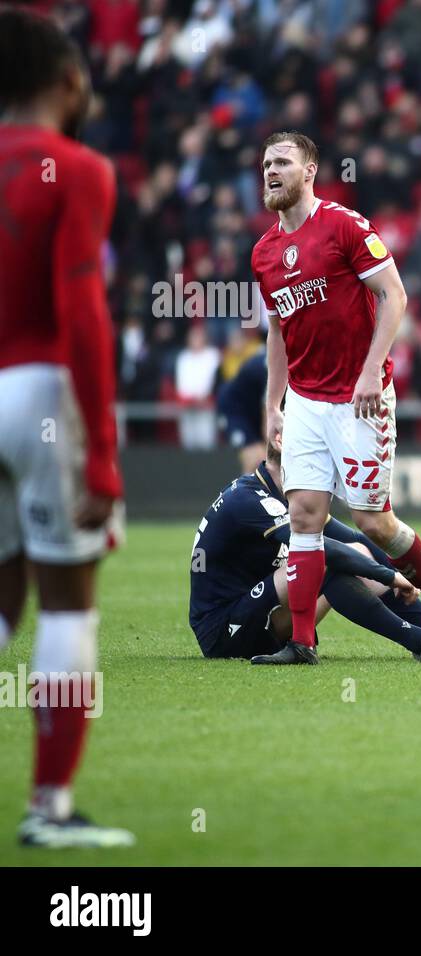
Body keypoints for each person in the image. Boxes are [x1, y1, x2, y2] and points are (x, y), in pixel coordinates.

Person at [251, 131, 421, 665]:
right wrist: (273, 404)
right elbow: (277, 332)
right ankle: (302, 641)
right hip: (304, 401)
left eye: (282, 162)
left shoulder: (345, 226)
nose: (271, 171)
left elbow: (395, 295)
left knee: (373, 523)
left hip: (360, 398)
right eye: (266, 164)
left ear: (309, 170)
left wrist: (373, 372)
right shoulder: (264, 253)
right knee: (304, 514)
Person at [0, 7, 133, 848]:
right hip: (42, 391)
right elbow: (82, 310)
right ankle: (50, 807)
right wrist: (106, 458)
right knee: (66, 605)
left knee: (2, 591)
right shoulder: (75, 167)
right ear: (69, 79)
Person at [188, 444, 421, 663]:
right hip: (223, 631)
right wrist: (390, 575)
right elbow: (321, 550)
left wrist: (416, 589)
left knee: (350, 553)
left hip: (261, 616)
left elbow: (353, 539)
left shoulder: (292, 494)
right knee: (321, 564)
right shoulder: (250, 500)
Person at [216, 348, 268, 475]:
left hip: (254, 410)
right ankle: (246, 494)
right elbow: (268, 414)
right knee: (256, 458)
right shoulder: (270, 366)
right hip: (235, 410)